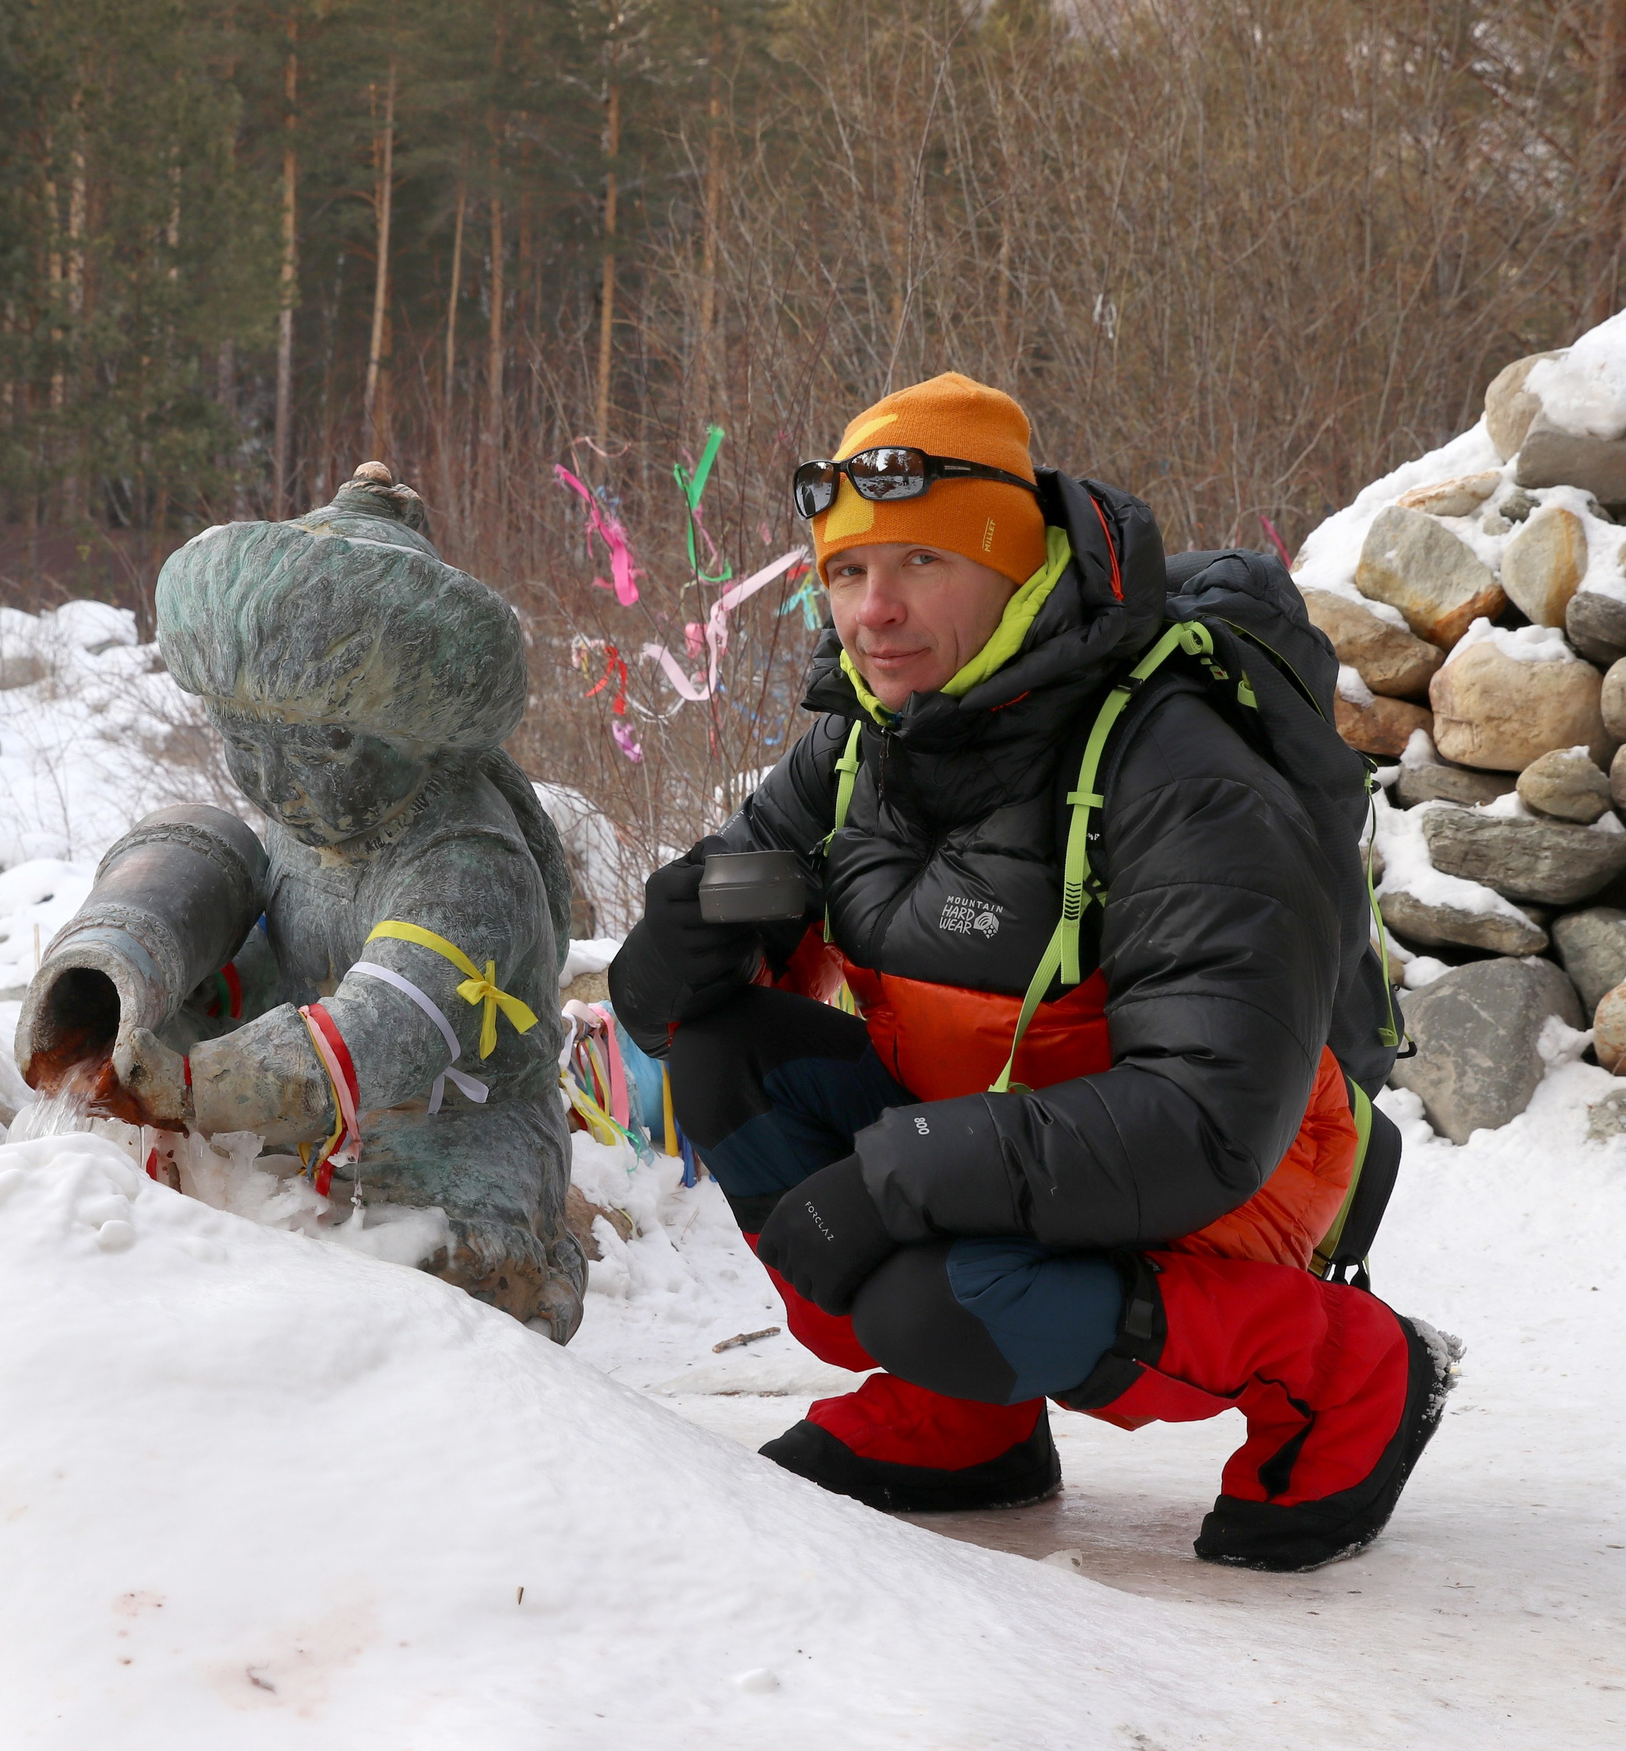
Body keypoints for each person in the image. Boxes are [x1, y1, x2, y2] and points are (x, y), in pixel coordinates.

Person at [609, 373, 1458, 1571]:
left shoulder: (1177, 763)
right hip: (989, 1133)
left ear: (1013, 568)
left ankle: (1347, 1365)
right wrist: (675, 946)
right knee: (729, 1052)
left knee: (930, 1291)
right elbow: (659, 1010)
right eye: (847, 572)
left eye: (918, 563)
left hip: (1244, 1168)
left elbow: (1205, 1115)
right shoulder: (859, 736)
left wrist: (897, 1176)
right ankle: (962, 1422)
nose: (873, 610)